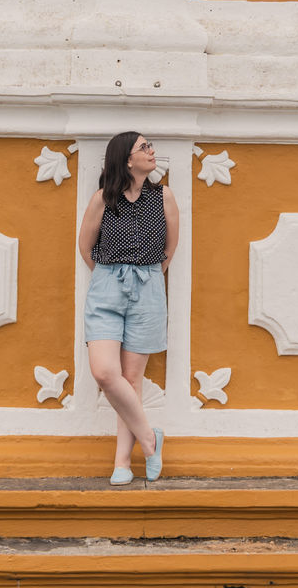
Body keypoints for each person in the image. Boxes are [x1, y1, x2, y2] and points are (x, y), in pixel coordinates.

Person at [76, 131, 179, 485]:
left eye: (150, 146)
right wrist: (111, 277)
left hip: (148, 288)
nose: (152, 151)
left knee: (132, 380)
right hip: (107, 287)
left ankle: (122, 462)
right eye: (144, 147)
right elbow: (86, 247)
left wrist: (146, 278)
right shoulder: (103, 199)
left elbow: (169, 249)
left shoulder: (163, 197)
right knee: (106, 373)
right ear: (126, 159)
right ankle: (150, 439)